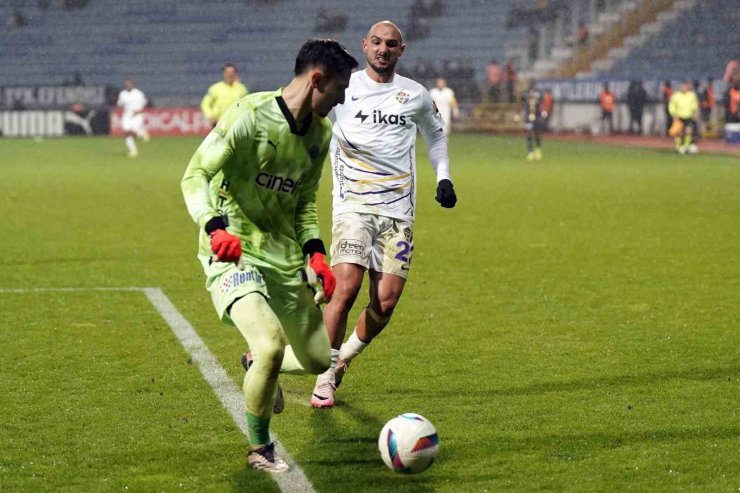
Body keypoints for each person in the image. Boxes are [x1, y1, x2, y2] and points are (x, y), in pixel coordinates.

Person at [181, 39, 358, 472]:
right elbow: (195, 174)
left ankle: (256, 365)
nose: (342, 99)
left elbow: (304, 204)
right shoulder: (250, 115)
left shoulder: (321, 134)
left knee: (321, 359)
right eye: (340, 88)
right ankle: (260, 448)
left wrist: (316, 255)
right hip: (233, 250)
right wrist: (214, 227)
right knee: (271, 344)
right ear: (317, 80)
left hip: (281, 256)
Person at [310, 20, 457, 408]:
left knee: (386, 302)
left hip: (399, 211)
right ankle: (323, 376)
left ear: (401, 50)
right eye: (376, 42)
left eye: (391, 44)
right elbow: (309, 118)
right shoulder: (346, 88)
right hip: (353, 205)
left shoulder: (416, 95)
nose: (383, 49)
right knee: (345, 287)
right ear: (365, 45)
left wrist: (443, 178)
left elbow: (436, 137)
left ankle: (341, 361)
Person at [117, 79, 150, 157]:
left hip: (137, 116)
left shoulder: (138, 93)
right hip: (127, 116)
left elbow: (144, 103)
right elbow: (120, 104)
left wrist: (139, 111)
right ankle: (133, 151)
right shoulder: (123, 94)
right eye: (126, 84)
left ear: (133, 84)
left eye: (129, 84)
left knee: (133, 134)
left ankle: (140, 133)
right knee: (127, 133)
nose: (127, 85)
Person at [668, 80, 699, 154]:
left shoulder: (692, 95)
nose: (684, 88)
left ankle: (686, 146)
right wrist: (673, 114)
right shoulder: (675, 96)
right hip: (679, 116)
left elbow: (694, 105)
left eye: (685, 86)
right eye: (683, 86)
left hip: (688, 116)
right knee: (679, 133)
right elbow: (671, 106)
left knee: (689, 131)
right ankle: (678, 147)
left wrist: (695, 113)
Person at [523, 86, 545, 161]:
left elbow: (542, 98)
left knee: (538, 133)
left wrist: (535, 96)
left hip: (537, 116)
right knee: (529, 133)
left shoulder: (538, 94)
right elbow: (521, 99)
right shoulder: (526, 94)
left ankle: (538, 150)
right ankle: (530, 152)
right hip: (528, 117)